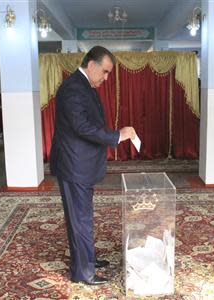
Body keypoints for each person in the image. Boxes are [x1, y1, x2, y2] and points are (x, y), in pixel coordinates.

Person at [50, 46, 136, 285]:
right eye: (105, 72)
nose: (106, 78)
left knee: (83, 217)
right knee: (80, 220)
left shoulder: (83, 84)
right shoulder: (73, 88)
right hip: (74, 165)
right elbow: (82, 126)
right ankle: (83, 273)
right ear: (92, 66)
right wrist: (116, 136)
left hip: (81, 164)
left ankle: (87, 259)